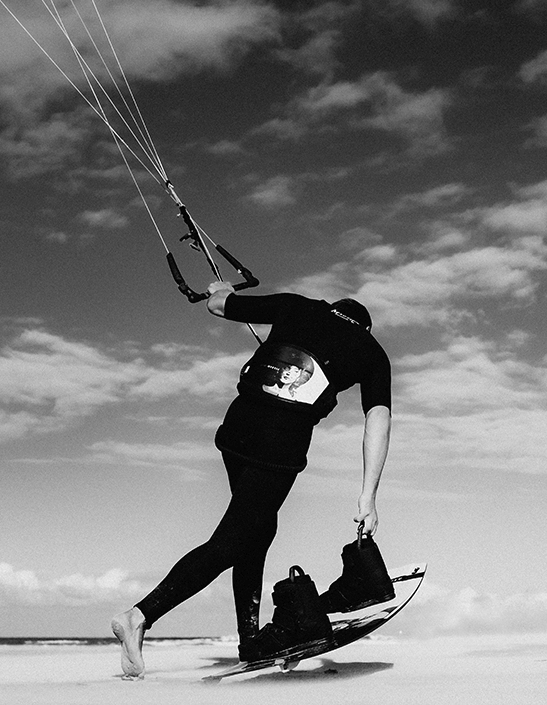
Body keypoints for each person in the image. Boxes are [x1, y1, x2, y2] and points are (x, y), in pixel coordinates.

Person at [110, 281, 392, 678]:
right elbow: (378, 420)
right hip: (279, 443)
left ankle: (249, 639)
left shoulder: (297, 306)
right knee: (234, 540)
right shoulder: (371, 352)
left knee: (256, 530)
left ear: (333, 308)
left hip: (237, 428)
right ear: (363, 327)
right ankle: (140, 615)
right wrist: (368, 495)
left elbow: (219, 306)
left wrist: (221, 288)